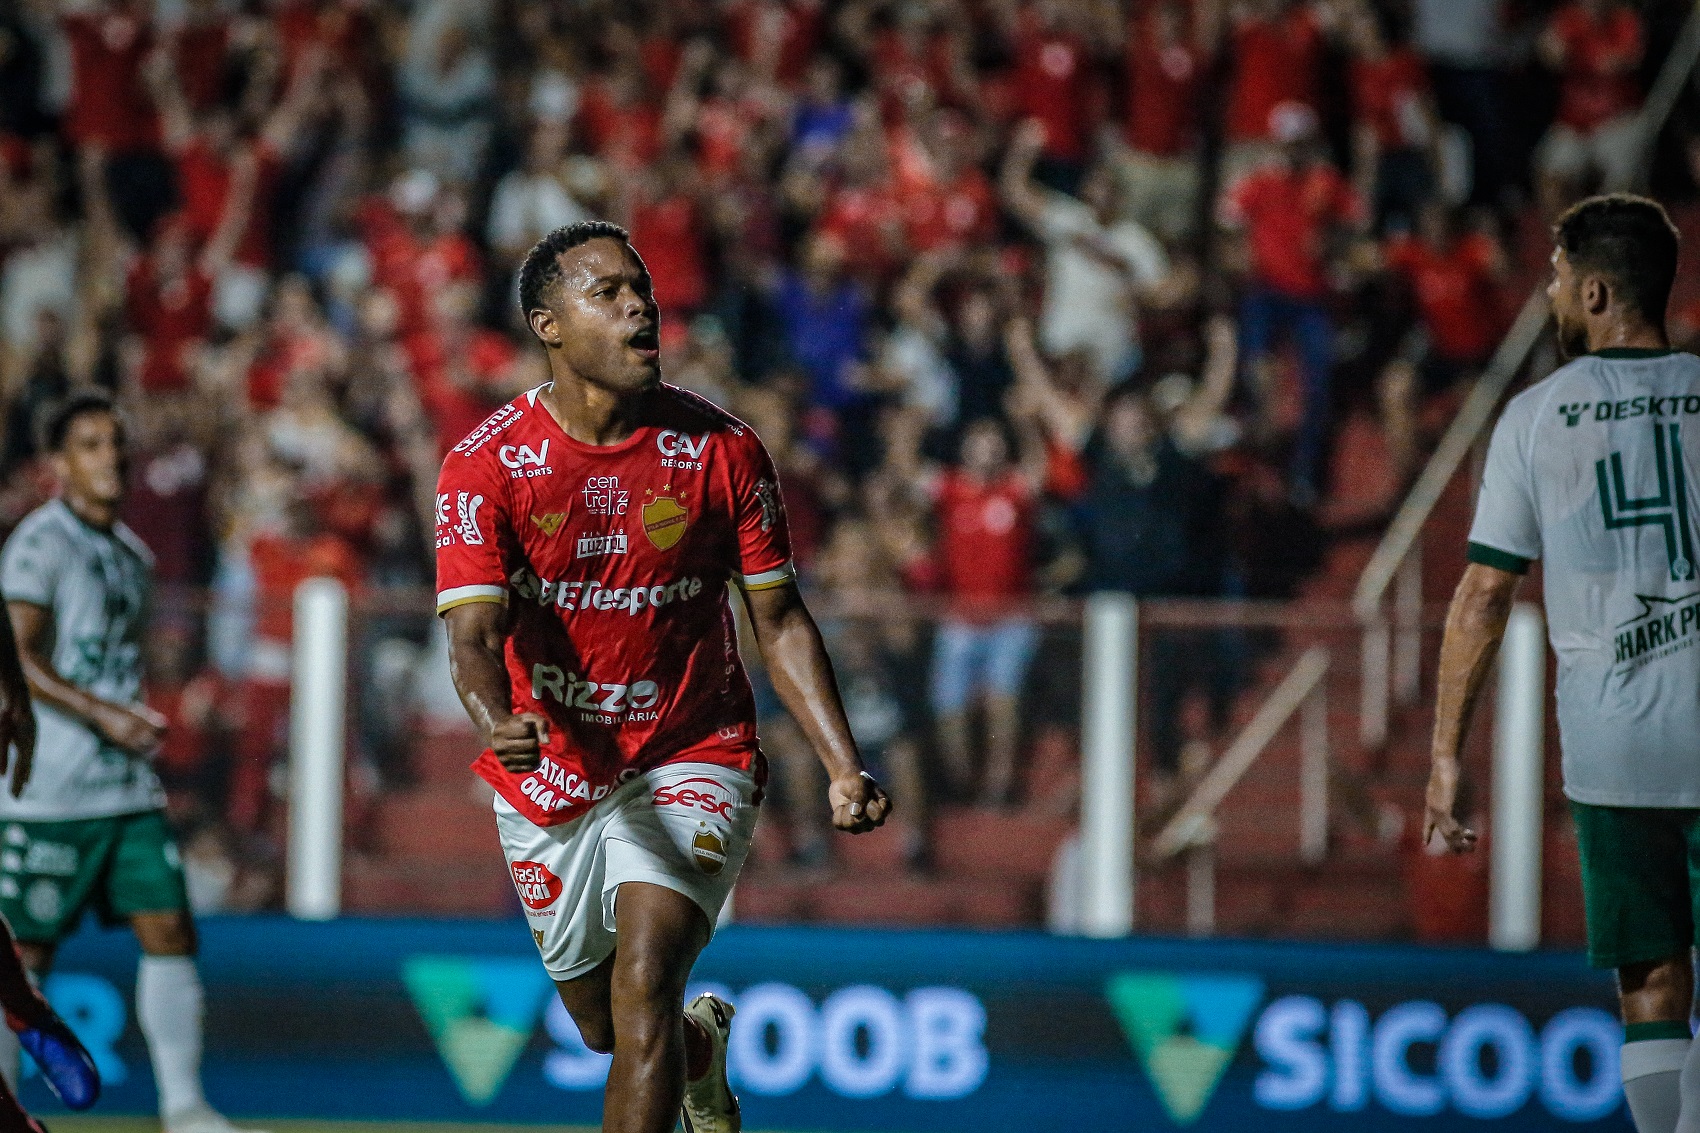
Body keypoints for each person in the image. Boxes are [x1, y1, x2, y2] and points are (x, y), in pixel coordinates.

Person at [436, 220, 890, 1133]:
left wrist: (842, 763)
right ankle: (702, 1052)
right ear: (547, 324)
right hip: (554, 768)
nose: (640, 304)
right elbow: (474, 637)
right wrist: (495, 716)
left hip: (695, 748)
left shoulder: (722, 451)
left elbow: (781, 618)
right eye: (606, 291)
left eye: (640, 287)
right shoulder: (486, 466)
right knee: (607, 1025)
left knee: (645, 985)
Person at [1423, 195, 1700, 1133]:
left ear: (1594, 289)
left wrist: (1446, 754)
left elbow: (1484, 596)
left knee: (1651, 977)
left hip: (1617, 748)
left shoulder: (1535, 419)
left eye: (1552, 279)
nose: (1546, 294)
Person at [0, 390, 249, 1133]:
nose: (110, 456)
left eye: (116, 443)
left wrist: (134, 712)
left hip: (124, 787)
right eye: (90, 444)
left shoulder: (132, 555)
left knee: (170, 927)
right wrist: (103, 712)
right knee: (25, 957)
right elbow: (17, 655)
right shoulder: (40, 545)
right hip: (49, 788)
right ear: (58, 464)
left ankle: (185, 1108)